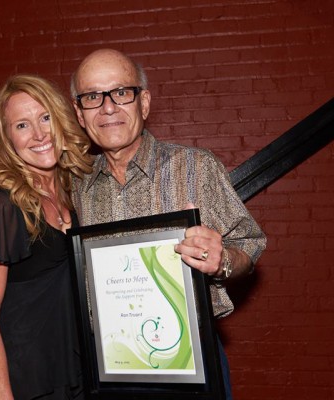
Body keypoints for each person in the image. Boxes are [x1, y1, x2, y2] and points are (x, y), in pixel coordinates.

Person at [70, 48, 267, 399]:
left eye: (120, 92)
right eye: (92, 96)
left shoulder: (196, 167)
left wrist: (221, 261)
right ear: (80, 114)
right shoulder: (75, 186)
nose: (108, 107)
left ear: (144, 103)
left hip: (192, 365)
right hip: (109, 369)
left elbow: (249, 246)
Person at [0, 74, 93, 399]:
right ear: (7, 139)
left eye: (45, 117)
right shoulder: (0, 207)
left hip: (74, 373)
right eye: (22, 125)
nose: (39, 134)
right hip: (23, 383)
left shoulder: (76, 192)